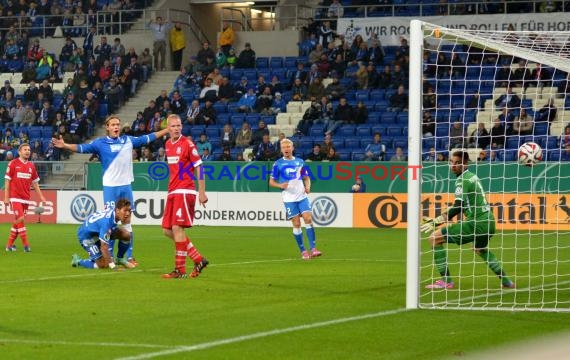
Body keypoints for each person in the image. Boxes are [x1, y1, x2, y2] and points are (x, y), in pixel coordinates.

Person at [52, 116, 169, 265]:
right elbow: (82, 148)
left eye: (118, 124)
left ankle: (128, 256)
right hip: (110, 187)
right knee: (112, 222)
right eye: (113, 125)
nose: (116, 127)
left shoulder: (128, 140)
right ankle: (111, 257)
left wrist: (166, 130)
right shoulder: (100, 143)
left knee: (127, 220)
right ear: (107, 127)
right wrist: (65, 145)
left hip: (126, 185)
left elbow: (148, 137)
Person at [421, 150, 515, 289]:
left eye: (457, 163)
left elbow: (458, 206)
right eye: (451, 162)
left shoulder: (462, 181)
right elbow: (463, 205)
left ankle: (447, 282)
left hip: (475, 223)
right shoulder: (472, 177)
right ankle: (507, 281)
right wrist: (440, 219)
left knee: (434, 238)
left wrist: (437, 221)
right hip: (489, 222)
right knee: (479, 249)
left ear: (465, 163)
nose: (453, 166)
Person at [161, 114, 209, 278]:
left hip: (185, 190)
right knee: (167, 231)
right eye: (173, 126)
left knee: (176, 228)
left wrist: (201, 191)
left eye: (178, 125)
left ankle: (179, 270)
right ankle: (198, 259)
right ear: (168, 128)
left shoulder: (187, 144)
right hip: (172, 191)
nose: (176, 128)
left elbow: (199, 167)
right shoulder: (167, 144)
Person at [269, 139, 322, 260]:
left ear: (292, 148)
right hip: (289, 198)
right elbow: (271, 182)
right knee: (297, 223)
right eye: (284, 147)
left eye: (288, 146)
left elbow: (306, 177)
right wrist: (280, 185)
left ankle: (313, 249)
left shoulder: (300, 162)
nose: (286, 149)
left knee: (308, 218)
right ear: (281, 150)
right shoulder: (277, 164)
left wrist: (308, 186)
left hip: (301, 196)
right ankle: (303, 251)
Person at [4, 143, 47, 252]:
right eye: (25, 149)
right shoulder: (13, 163)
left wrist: (41, 197)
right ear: (19, 152)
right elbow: (7, 181)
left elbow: (35, 184)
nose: (27, 151)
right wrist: (6, 197)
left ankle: (9, 246)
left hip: (26, 198)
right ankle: (26, 246)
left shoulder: (31, 166)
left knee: (18, 221)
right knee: (21, 219)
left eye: (29, 149)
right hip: (15, 197)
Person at [71, 198, 134, 270]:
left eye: (129, 211)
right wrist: (114, 267)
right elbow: (104, 247)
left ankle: (120, 259)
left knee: (126, 235)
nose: (128, 213)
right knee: (103, 265)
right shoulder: (107, 223)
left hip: (97, 231)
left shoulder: (112, 215)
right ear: (117, 210)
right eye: (125, 210)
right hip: (87, 237)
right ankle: (78, 261)